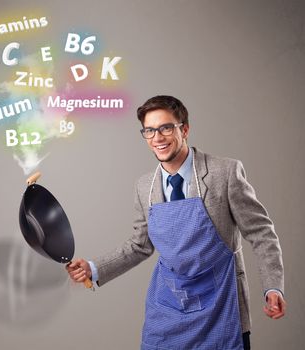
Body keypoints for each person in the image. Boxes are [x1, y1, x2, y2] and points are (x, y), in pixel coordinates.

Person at [66, 95, 286, 350]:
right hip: (169, 307)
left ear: (184, 129)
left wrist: (273, 287)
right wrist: (93, 268)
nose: (157, 137)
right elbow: (140, 245)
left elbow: (261, 233)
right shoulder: (144, 186)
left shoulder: (224, 173)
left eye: (165, 128)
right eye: (149, 130)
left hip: (221, 304)